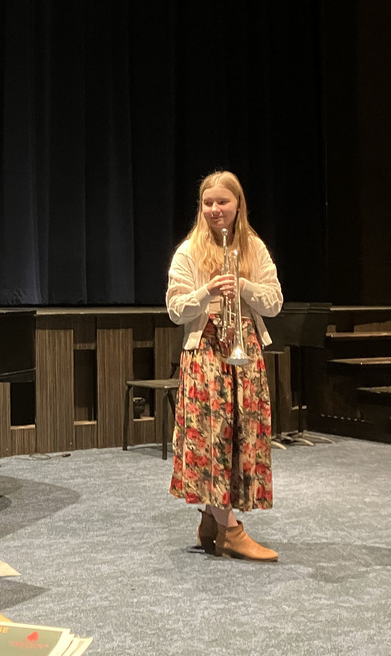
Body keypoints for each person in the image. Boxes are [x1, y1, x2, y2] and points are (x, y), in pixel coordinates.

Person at [165, 171, 283, 562]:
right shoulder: (188, 251)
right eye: (208, 203)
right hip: (207, 355)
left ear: (238, 205)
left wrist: (242, 284)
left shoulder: (254, 248)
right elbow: (175, 310)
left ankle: (212, 522)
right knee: (212, 439)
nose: (215, 210)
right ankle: (230, 530)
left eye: (222, 202)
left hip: (244, 350)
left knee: (240, 438)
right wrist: (208, 290)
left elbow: (274, 303)